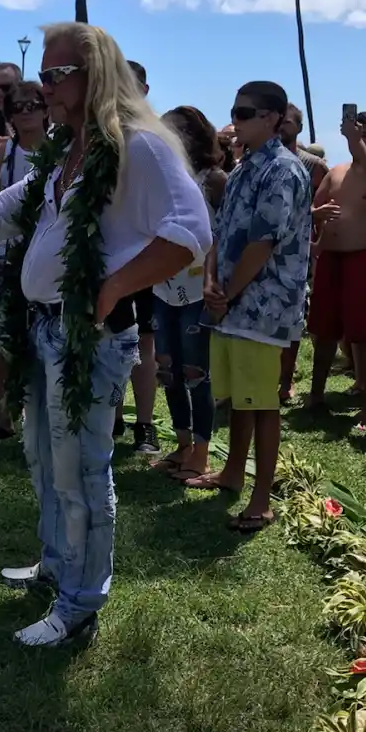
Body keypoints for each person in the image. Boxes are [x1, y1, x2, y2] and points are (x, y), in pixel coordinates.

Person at [0, 24, 211, 648]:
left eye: (56, 74)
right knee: (43, 457)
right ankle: (58, 564)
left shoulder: (138, 146)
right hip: (43, 331)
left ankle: (80, 605)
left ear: (95, 75)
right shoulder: (64, 155)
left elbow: (189, 231)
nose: (43, 85)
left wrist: (115, 286)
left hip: (88, 336)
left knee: (82, 470)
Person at [187, 82, 312, 530]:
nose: (235, 121)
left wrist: (228, 292)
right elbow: (220, 233)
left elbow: (263, 242)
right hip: (232, 301)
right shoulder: (242, 168)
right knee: (241, 399)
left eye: (245, 113)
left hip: (265, 304)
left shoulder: (283, 170)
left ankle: (262, 497)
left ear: (273, 118)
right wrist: (209, 280)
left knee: (262, 404)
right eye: (235, 112)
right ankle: (234, 473)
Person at [306, 110, 366, 424]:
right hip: (332, 258)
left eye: (362, 134)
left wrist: (356, 142)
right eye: (349, 133)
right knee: (323, 332)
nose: (353, 139)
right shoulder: (336, 171)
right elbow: (312, 207)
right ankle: (316, 395)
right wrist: (317, 214)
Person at [0, 80, 50, 440]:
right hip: (7, 256)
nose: (25, 112)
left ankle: (44, 415)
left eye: (33, 104)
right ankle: (4, 412)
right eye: (17, 107)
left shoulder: (64, 150)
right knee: (5, 336)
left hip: (50, 256)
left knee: (45, 337)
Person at [151, 106, 226, 481]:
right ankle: (181, 445)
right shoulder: (160, 179)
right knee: (168, 370)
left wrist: (216, 281)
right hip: (162, 288)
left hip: (198, 291)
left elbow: (222, 238)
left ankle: (201, 452)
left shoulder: (213, 179)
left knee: (197, 373)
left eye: (177, 131)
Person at [118, 60, 160, 454]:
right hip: (105, 253)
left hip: (144, 254)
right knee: (106, 337)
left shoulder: (154, 137)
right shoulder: (94, 134)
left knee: (143, 344)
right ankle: (112, 416)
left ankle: (145, 424)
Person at [278, 103, 327, 400]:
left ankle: (286, 381)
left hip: (299, 252)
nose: (282, 126)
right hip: (266, 251)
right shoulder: (256, 159)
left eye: (287, 121)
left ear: (298, 127)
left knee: (293, 321)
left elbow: (325, 209)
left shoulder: (312, 165)